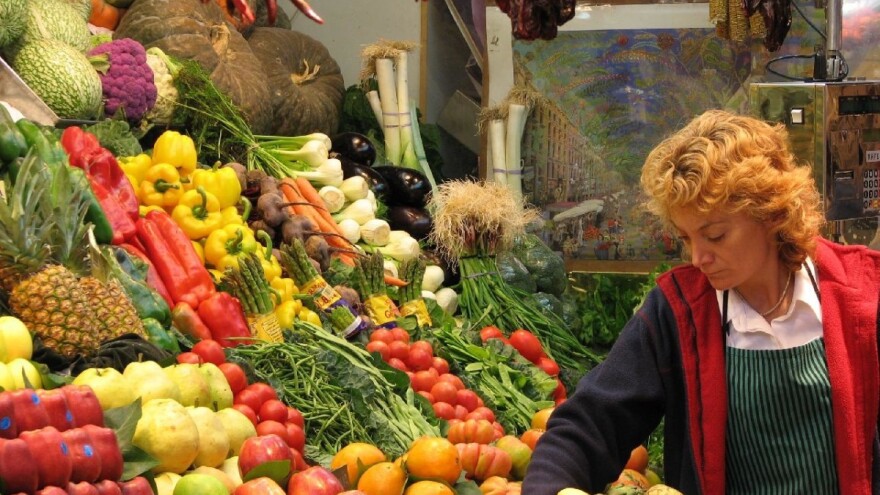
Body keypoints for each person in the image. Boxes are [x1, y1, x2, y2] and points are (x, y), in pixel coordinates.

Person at [522, 109, 880, 494]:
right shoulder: (677, 312)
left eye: (715, 235)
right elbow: (590, 424)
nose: (697, 258)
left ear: (771, 214)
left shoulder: (861, 295)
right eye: (686, 238)